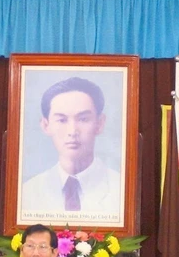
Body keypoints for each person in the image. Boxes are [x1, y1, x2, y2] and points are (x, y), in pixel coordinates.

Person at [20, 77, 123, 216]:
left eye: (83, 119)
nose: (72, 131)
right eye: (62, 120)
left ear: (100, 123)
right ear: (45, 125)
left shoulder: (122, 190)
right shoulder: (27, 193)